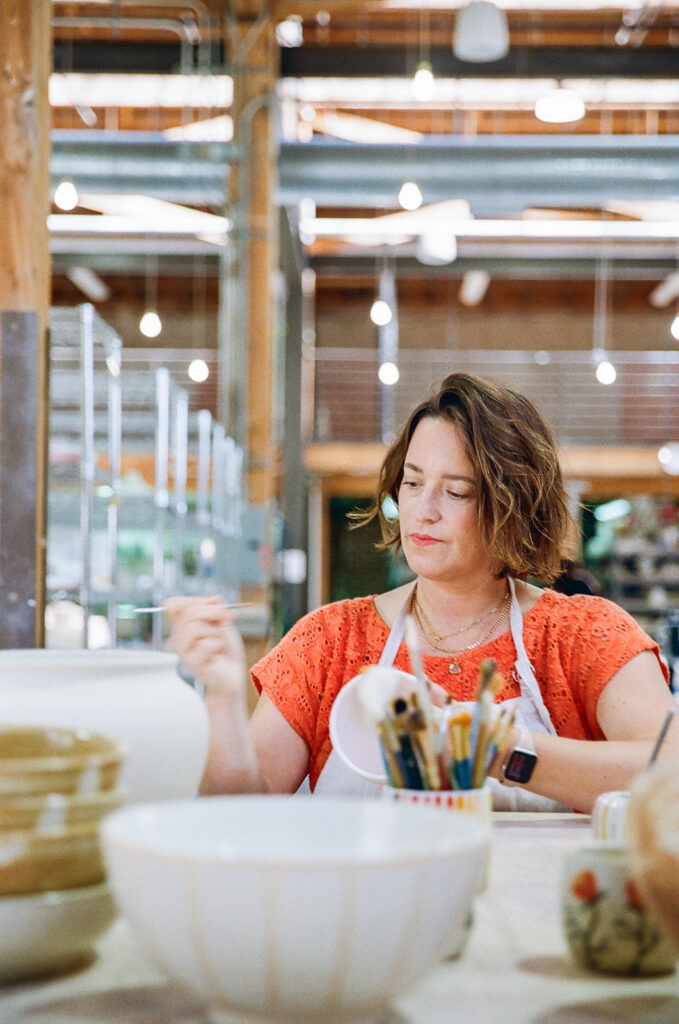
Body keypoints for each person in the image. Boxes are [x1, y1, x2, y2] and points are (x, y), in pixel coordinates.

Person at [165, 373, 678, 813]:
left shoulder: (583, 635)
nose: (423, 510)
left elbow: (668, 773)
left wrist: (497, 751)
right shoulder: (329, 641)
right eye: (412, 484)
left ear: (513, 506)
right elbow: (239, 810)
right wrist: (224, 698)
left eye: (455, 491)